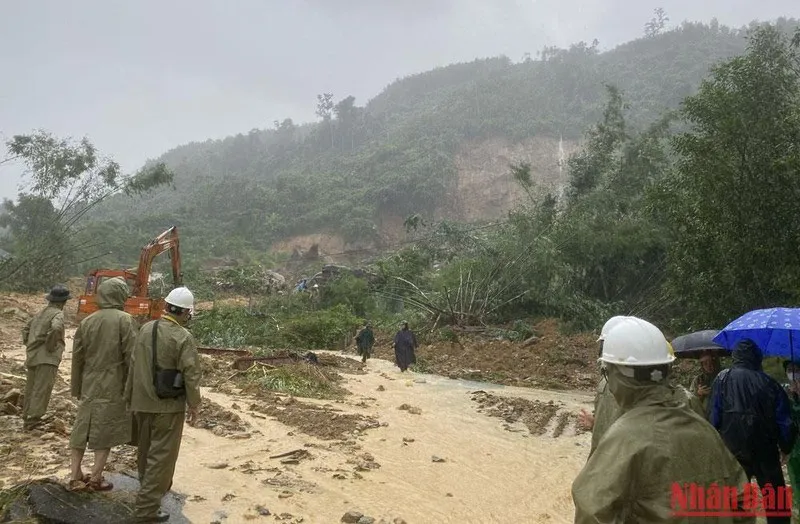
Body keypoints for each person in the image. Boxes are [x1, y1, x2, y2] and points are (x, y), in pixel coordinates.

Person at [572, 316, 754, 523]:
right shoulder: (705, 431)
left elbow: (592, 511)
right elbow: (742, 501)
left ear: (621, 376)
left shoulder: (625, 439)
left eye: (607, 373)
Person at [125, 287, 202, 523]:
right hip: (168, 407)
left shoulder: (146, 329)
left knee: (145, 452)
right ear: (186, 313)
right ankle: (146, 509)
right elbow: (191, 374)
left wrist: (129, 397)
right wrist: (195, 405)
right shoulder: (183, 337)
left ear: (166, 306)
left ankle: (147, 495)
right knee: (162, 458)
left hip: (142, 403)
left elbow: (134, 364)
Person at [709, 339, 796, 524]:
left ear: (736, 357)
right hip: (765, 448)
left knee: (737, 498)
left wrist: (716, 443)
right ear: (757, 357)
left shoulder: (722, 379)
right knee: (775, 501)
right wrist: (786, 447)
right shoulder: (769, 383)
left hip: (733, 449)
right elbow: (784, 421)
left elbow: (714, 416)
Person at [68, 277, 138, 492]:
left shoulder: (87, 321)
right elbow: (133, 357)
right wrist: (133, 387)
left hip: (89, 382)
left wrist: (76, 387)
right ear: (120, 295)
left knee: (82, 427)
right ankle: (96, 477)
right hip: (113, 383)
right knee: (104, 430)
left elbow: (77, 358)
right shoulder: (125, 320)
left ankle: (75, 475)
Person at [21, 284, 70, 431]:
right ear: (63, 302)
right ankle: (33, 419)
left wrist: (30, 344)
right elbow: (56, 328)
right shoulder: (58, 314)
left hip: (33, 356)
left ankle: (27, 416)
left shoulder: (40, 313)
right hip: (47, 357)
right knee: (42, 389)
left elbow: (25, 329)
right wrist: (50, 346)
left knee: (31, 388)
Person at [782, 360, 800, 517]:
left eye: (795, 369)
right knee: (796, 480)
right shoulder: (784, 391)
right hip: (793, 446)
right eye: (789, 370)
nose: (792, 373)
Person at [689, 350, 721, 418]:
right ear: (702, 365)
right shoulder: (698, 380)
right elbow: (690, 402)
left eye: (711, 363)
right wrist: (699, 393)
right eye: (705, 363)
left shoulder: (722, 377)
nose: (709, 366)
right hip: (703, 416)